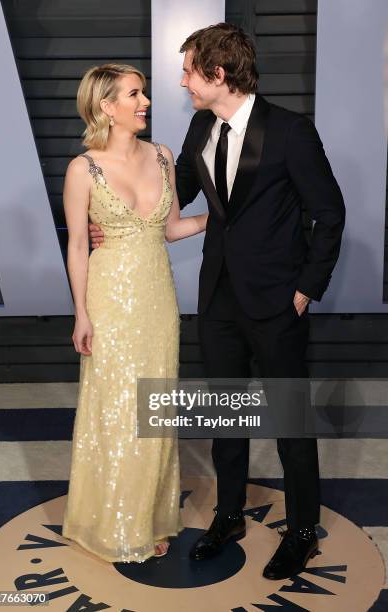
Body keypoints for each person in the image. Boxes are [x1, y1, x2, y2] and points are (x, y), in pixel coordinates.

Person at [89, 23, 345, 579]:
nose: (182, 83)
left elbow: (330, 213)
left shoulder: (290, 131)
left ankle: (302, 530)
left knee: (289, 420)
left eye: (188, 72)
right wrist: (116, 219)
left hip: (279, 301)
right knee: (226, 413)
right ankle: (228, 514)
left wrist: (305, 289)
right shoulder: (200, 127)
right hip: (220, 299)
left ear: (217, 73)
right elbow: (167, 200)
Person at [62, 63, 208, 563]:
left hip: (156, 297)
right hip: (108, 297)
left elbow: (170, 230)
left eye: (143, 93)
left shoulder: (163, 156)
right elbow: (78, 246)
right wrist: (81, 313)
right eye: (134, 94)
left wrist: (224, 215)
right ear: (106, 106)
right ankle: (112, 521)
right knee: (116, 406)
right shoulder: (84, 169)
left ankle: (148, 516)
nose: (145, 102)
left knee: (155, 404)